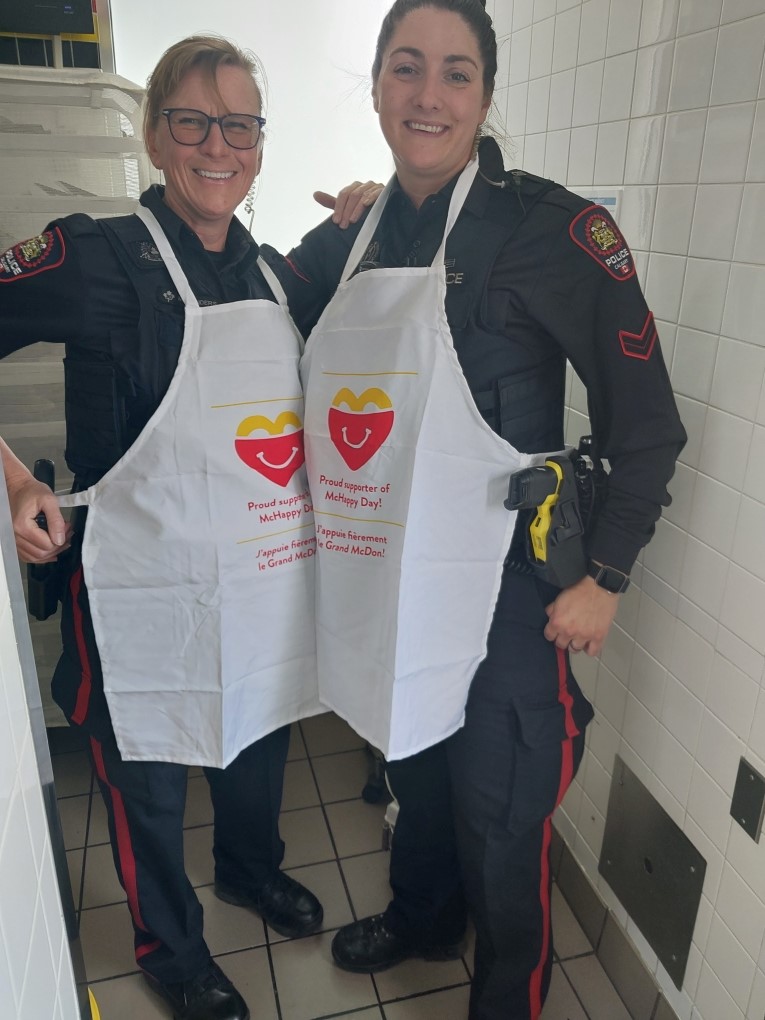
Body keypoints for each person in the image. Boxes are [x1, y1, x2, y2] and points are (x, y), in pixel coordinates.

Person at [272, 2, 687, 1019]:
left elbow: (649, 427)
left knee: (504, 816)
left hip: (512, 587)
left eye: (457, 73)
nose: (429, 94)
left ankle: (506, 1000)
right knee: (412, 766)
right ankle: (422, 917)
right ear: (374, 88)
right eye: (406, 69)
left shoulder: (557, 230)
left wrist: (611, 575)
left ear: (487, 96)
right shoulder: (348, 243)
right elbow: (250, 325)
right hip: (395, 582)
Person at [0, 36, 373, 1020]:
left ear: (259, 142)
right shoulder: (96, 258)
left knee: (256, 735)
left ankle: (250, 869)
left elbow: (345, 285)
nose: (220, 144)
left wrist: (367, 216)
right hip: (142, 590)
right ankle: (170, 947)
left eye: (240, 124)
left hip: (258, 580)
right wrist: (6, 481)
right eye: (194, 121)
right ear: (155, 135)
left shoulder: (270, 269)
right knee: (151, 782)